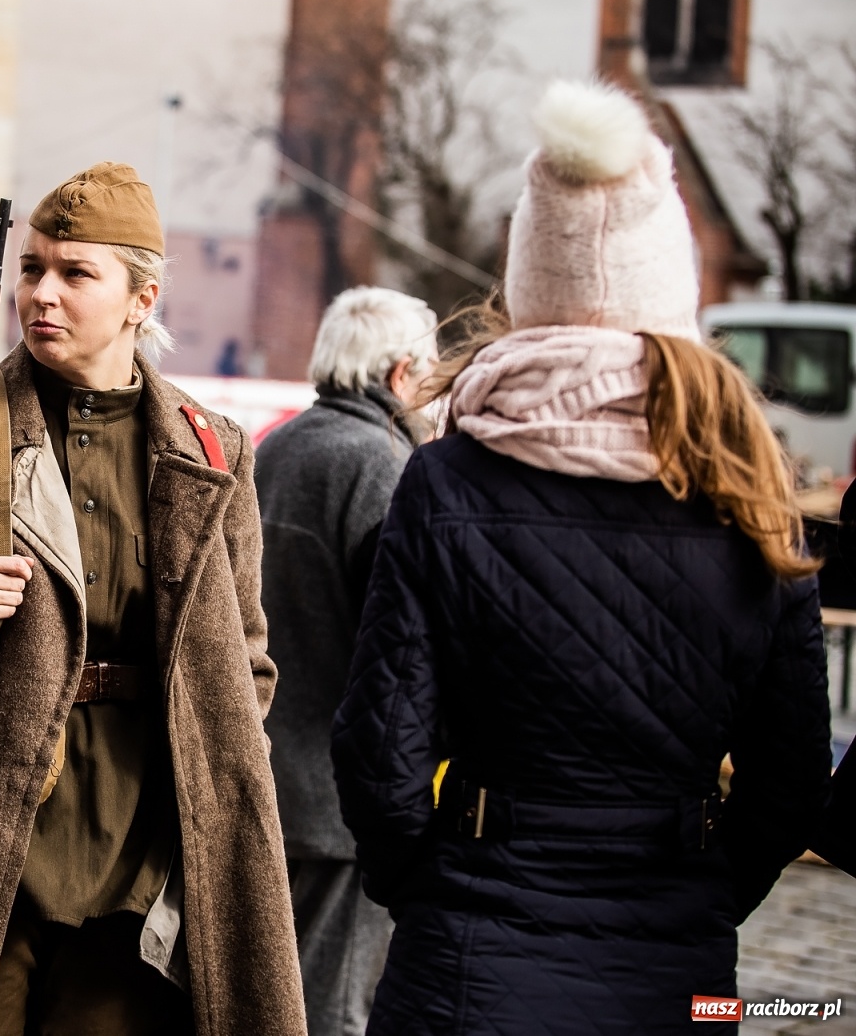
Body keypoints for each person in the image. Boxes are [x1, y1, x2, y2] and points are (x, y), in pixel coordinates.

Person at [331, 80, 832, 1035]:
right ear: (673, 294)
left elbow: (380, 752)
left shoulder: (448, 479)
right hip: (677, 956)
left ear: (529, 282)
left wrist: (425, 886)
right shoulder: (753, 492)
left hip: (470, 943)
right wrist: (705, 893)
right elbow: (793, 776)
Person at [0, 162, 306, 1036]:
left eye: (76, 273)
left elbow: (247, 653)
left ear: (142, 299)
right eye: (32, 268)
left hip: (142, 846)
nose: (42, 293)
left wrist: (215, 757)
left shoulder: (213, 447)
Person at [256, 286, 437, 1036]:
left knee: (266, 1001)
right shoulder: (385, 465)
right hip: (341, 802)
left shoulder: (275, 448)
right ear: (399, 374)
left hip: (265, 778)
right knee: (332, 1011)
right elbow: (402, 654)